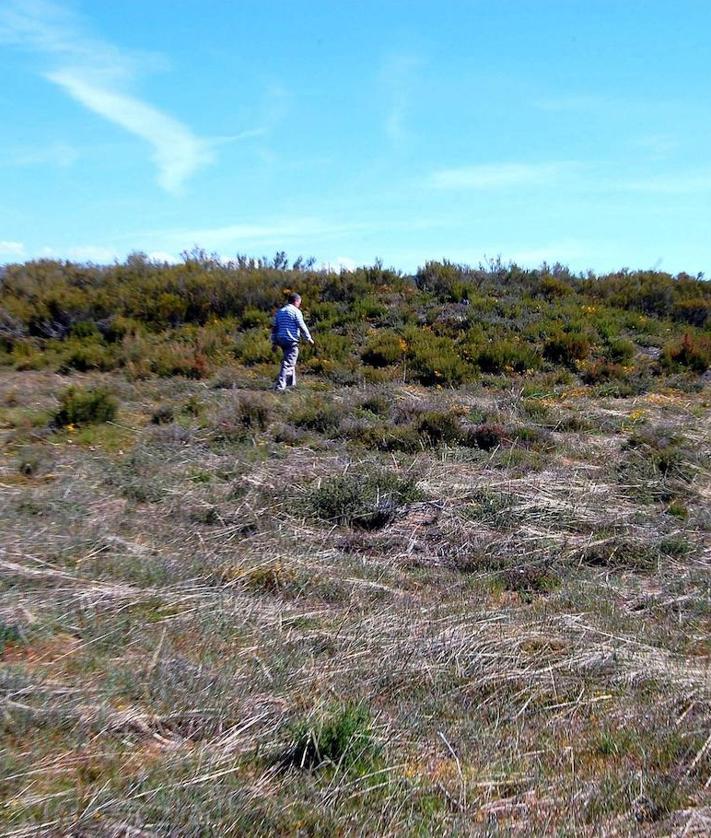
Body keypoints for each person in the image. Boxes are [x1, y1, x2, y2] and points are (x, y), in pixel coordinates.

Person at [271, 292, 314, 390]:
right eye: (299, 302)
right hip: (291, 340)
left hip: (281, 340)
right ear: (296, 301)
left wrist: (274, 342)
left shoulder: (280, 312)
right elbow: (301, 325)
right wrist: (309, 338)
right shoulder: (295, 311)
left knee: (290, 361)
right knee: (288, 363)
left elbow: (274, 328)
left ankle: (290, 385)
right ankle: (280, 387)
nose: (299, 304)